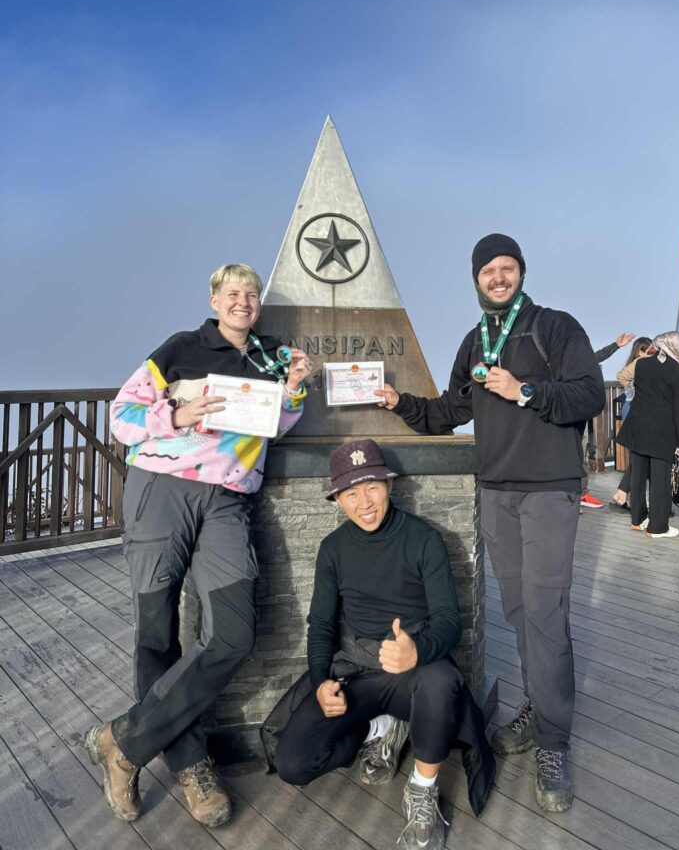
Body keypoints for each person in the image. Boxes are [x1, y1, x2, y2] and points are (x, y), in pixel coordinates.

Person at [375, 233, 605, 812]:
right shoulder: (473, 341)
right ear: (475, 279)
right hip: (497, 491)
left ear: (521, 272)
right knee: (520, 610)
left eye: (507, 268)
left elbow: (590, 394)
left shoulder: (555, 327)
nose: (498, 278)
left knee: (546, 612)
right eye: (488, 271)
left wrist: (526, 390)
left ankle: (553, 742)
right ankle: (537, 704)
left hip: (549, 490)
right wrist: (398, 403)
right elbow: (452, 410)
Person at [86, 264, 312, 828]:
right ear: (214, 299)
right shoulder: (182, 347)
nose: (243, 301)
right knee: (157, 631)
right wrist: (177, 414)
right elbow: (121, 415)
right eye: (232, 293)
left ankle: (125, 741)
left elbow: (278, 422)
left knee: (234, 633)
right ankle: (189, 763)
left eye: (251, 294)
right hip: (162, 489)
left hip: (228, 498)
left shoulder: (272, 355)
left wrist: (297, 386)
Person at [272, 439, 495, 850]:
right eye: (351, 492)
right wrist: (321, 681)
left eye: (372, 486)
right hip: (357, 671)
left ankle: (423, 790)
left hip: (413, 672)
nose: (365, 502)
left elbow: (449, 622)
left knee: (441, 681)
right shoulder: (333, 549)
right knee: (293, 764)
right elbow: (320, 624)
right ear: (338, 498)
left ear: (389, 486)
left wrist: (418, 650)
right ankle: (381, 727)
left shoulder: (424, 539)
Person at [615, 331, 679, 539]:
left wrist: (633, 391)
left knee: (638, 474)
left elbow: (623, 377)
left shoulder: (642, 363)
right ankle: (658, 527)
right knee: (660, 479)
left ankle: (637, 520)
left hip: (638, 426)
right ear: (678, 348)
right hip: (663, 432)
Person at [580, 333, 636, 508]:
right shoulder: (556, 361)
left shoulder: (579, 358)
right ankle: (574, 496)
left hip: (581, 412)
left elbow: (597, 356)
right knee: (574, 453)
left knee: (584, 450)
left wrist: (616, 345)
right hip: (566, 412)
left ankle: (580, 494)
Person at [611, 336, 653, 508]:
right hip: (634, 408)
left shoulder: (647, 365)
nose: (652, 353)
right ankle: (627, 494)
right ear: (640, 351)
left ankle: (624, 493)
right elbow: (621, 377)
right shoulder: (637, 364)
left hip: (639, 410)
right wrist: (632, 389)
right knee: (641, 455)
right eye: (649, 350)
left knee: (641, 455)